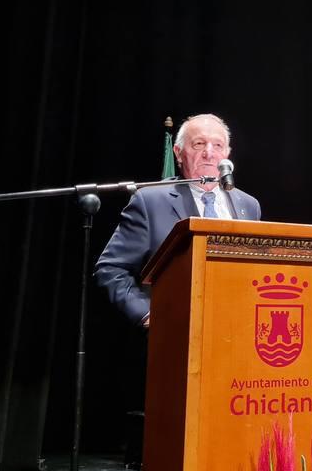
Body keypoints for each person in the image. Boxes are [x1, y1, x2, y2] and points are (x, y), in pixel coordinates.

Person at [95, 113, 261, 327]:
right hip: (173, 331)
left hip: (234, 328)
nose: (209, 153)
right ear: (179, 153)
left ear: (227, 154)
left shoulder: (248, 205)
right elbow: (110, 269)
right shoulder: (151, 200)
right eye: (199, 144)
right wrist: (147, 315)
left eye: (218, 145)